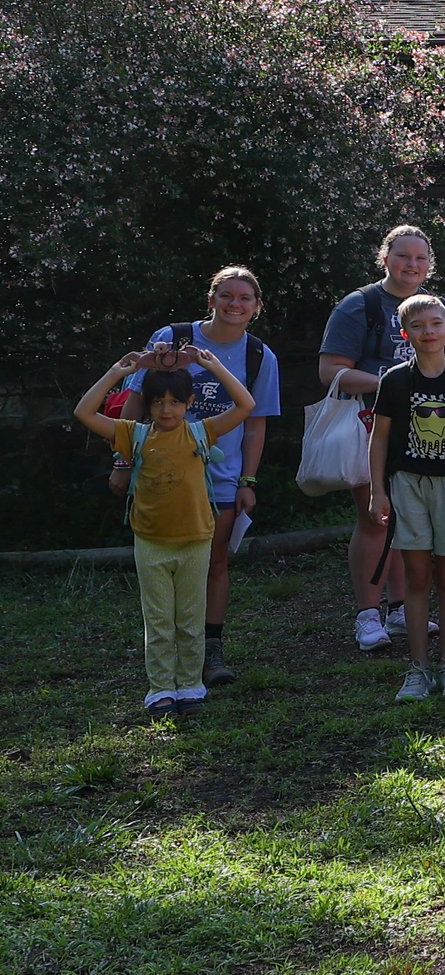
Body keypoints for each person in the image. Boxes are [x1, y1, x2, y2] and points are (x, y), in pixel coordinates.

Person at [320, 225, 445, 652]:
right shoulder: (361, 305)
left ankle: (398, 611)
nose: (412, 265)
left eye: (420, 258)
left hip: (433, 432)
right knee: (375, 517)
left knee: (410, 524)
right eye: (403, 256)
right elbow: (331, 370)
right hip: (374, 423)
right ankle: (367, 614)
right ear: (385, 257)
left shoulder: (442, 308)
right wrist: (395, 385)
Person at [75, 343, 258, 715]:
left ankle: (190, 685)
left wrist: (215, 366)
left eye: (175, 402)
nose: (166, 410)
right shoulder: (133, 434)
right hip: (151, 542)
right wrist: (118, 372)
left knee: (190, 618)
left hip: (195, 540)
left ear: (189, 402)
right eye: (158, 402)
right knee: (158, 620)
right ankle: (161, 689)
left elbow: (245, 406)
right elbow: (83, 412)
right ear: (149, 404)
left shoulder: (201, 433)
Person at [125, 267, 282, 688]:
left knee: (214, 561)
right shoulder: (173, 338)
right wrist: (123, 462)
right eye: (226, 296)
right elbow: (136, 400)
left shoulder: (259, 356)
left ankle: (209, 649)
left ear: (257, 307)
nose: (235, 304)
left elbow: (255, 422)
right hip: (161, 472)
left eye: (245, 298)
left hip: (221, 479)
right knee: (160, 563)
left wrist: (248, 481)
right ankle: (165, 652)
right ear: (211, 299)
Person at [365, 293, 445, 702]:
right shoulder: (396, 379)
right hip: (408, 485)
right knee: (417, 576)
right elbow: (379, 438)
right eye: (418, 326)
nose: (428, 332)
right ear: (405, 333)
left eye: (436, 324)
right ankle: (418, 669)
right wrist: (378, 491)